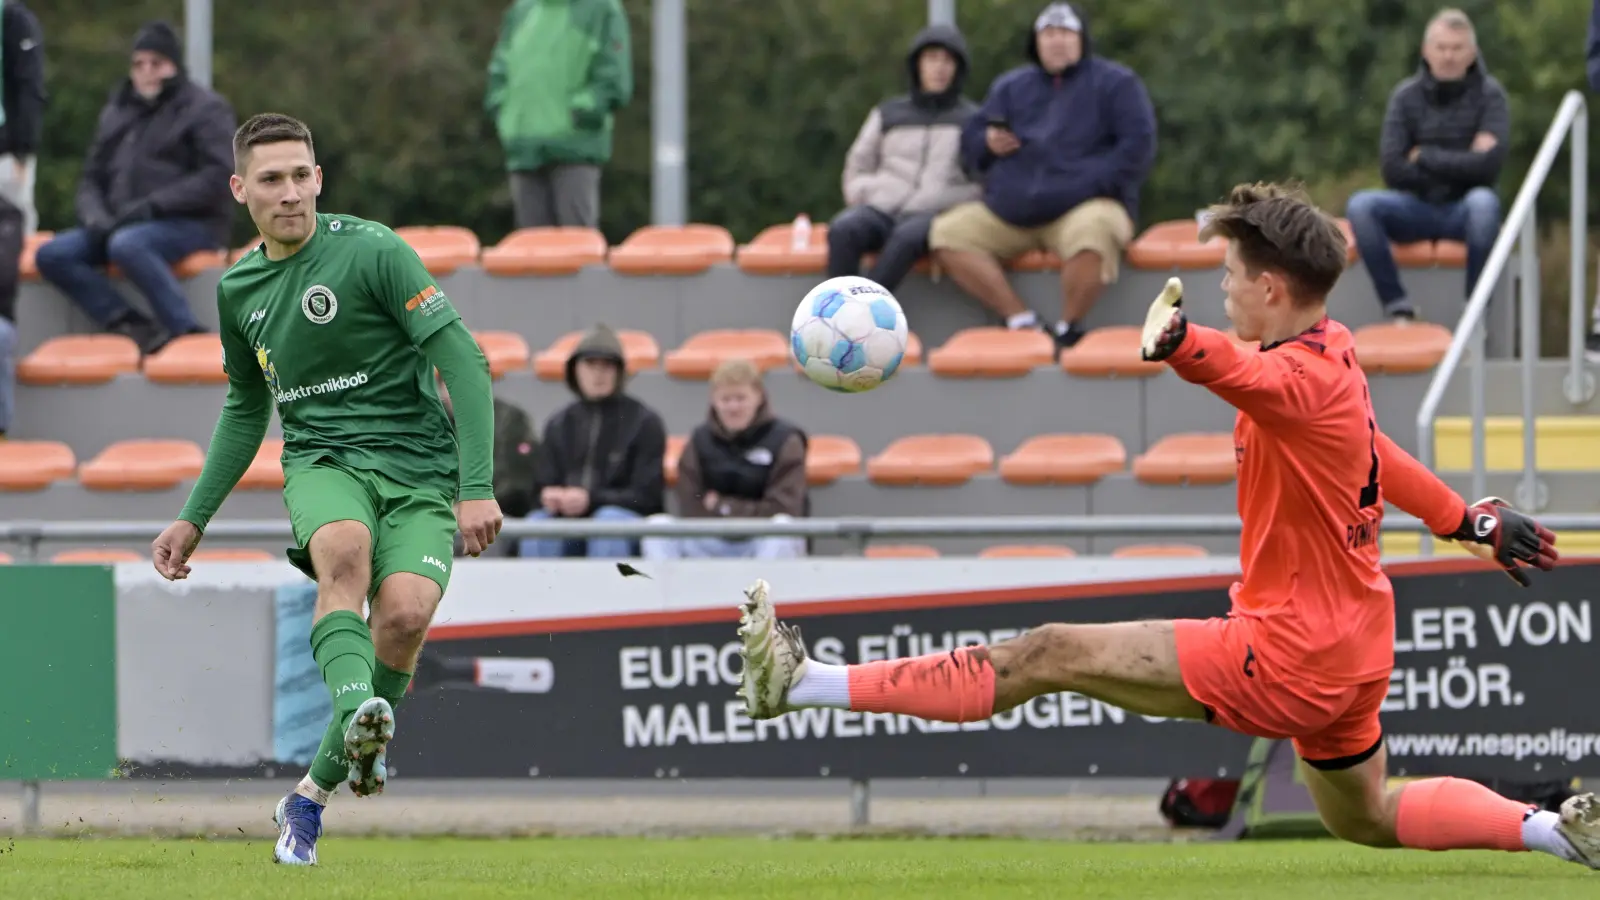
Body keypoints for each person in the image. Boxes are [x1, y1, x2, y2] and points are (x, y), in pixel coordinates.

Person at [736, 183, 1596, 868]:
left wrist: (1184, 343)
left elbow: (1247, 379)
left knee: (1046, 653)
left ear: (1269, 288)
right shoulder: (1333, 352)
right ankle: (1556, 832)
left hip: (1287, 652)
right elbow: (1374, 450)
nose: (1223, 287)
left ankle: (804, 684)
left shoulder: (1297, 379)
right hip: (1355, 646)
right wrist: (1465, 519)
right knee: (1366, 816)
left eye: (1229, 275)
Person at [147, 113, 503, 867]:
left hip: (420, 470)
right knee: (344, 553)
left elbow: (464, 362)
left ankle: (309, 797)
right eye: (271, 179)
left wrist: (476, 488)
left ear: (319, 178)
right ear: (240, 189)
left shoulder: (374, 251)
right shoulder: (238, 290)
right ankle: (360, 716)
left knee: (404, 616)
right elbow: (246, 409)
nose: (290, 192)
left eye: (300, 175)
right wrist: (193, 517)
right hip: (324, 461)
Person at [928, 2, 1155, 353]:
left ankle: (1068, 328)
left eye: (1065, 32)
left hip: (1083, 205)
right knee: (947, 233)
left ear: (1081, 39)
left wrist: (1087, 183)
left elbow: (1137, 147)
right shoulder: (1010, 87)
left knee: (1096, 230)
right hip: (1010, 212)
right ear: (1036, 42)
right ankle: (1021, 320)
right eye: (1048, 33)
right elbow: (970, 143)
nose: (1056, 41)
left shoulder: (1116, 83)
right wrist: (986, 142)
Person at [36, 21, 236, 354]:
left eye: (156, 63)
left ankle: (185, 331)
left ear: (175, 65)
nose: (146, 72)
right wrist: (94, 217)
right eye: (138, 64)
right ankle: (129, 322)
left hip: (191, 224)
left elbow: (219, 175)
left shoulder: (205, 108)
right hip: (120, 223)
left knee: (128, 245)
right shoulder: (118, 110)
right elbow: (91, 177)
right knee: (53, 254)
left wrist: (154, 205)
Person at [1344, 8, 1509, 322]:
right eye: (1441, 47)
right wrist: (1465, 162)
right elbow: (1392, 169)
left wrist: (1424, 156)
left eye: (1457, 48)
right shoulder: (1405, 97)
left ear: (1472, 53)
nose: (1448, 56)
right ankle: (1397, 304)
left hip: (1466, 210)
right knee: (1362, 206)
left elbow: (1489, 167)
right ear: (1426, 50)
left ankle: (1475, 313)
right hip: (1414, 207)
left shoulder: (1492, 96)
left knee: (1484, 204)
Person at [826, 23, 980, 292]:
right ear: (917, 64)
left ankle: (866, 305)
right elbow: (858, 165)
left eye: (948, 61)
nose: (939, 68)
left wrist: (948, 202)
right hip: (882, 207)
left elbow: (984, 181)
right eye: (932, 58)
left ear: (958, 69)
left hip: (935, 214)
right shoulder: (887, 114)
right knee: (843, 229)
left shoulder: (973, 120)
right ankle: (835, 306)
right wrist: (867, 193)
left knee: (907, 237)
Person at [521, 323, 665, 559]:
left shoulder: (644, 421)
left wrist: (591, 499)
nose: (598, 374)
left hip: (622, 522)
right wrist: (550, 497)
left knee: (608, 522)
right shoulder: (559, 423)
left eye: (607, 365)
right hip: (566, 524)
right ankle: (539, 585)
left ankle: (608, 585)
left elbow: (648, 496)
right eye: (590, 364)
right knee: (537, 525)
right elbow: (539, 487)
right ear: (575, 370)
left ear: (619, 372)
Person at [485, 0, 633, 229]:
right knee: (530, 246)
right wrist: (506, 115)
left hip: (575, 145)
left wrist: (581, 111)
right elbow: (499, 69)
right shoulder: (521, 11)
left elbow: (612, 78)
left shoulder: (601, 8)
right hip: (524, 146)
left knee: (577, 243)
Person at [641, 358, 809, 560]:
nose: (733, 407)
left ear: (758, 397)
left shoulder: (786, 439)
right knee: (657, 526)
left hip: (760, 539)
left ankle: (766, 583)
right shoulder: (699, 440)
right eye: (725, 399)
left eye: (741, 398)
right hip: (709, 540)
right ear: (713, 400)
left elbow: (783, 508)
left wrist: (722, 505)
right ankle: (664, 583)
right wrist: (744, 510)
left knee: (782, 526)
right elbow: (690, 505)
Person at [0, 0, 44, 439]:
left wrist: (23, 147)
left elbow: (28, 84)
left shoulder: (12, 18)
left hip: (6, 153)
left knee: (16, 241)